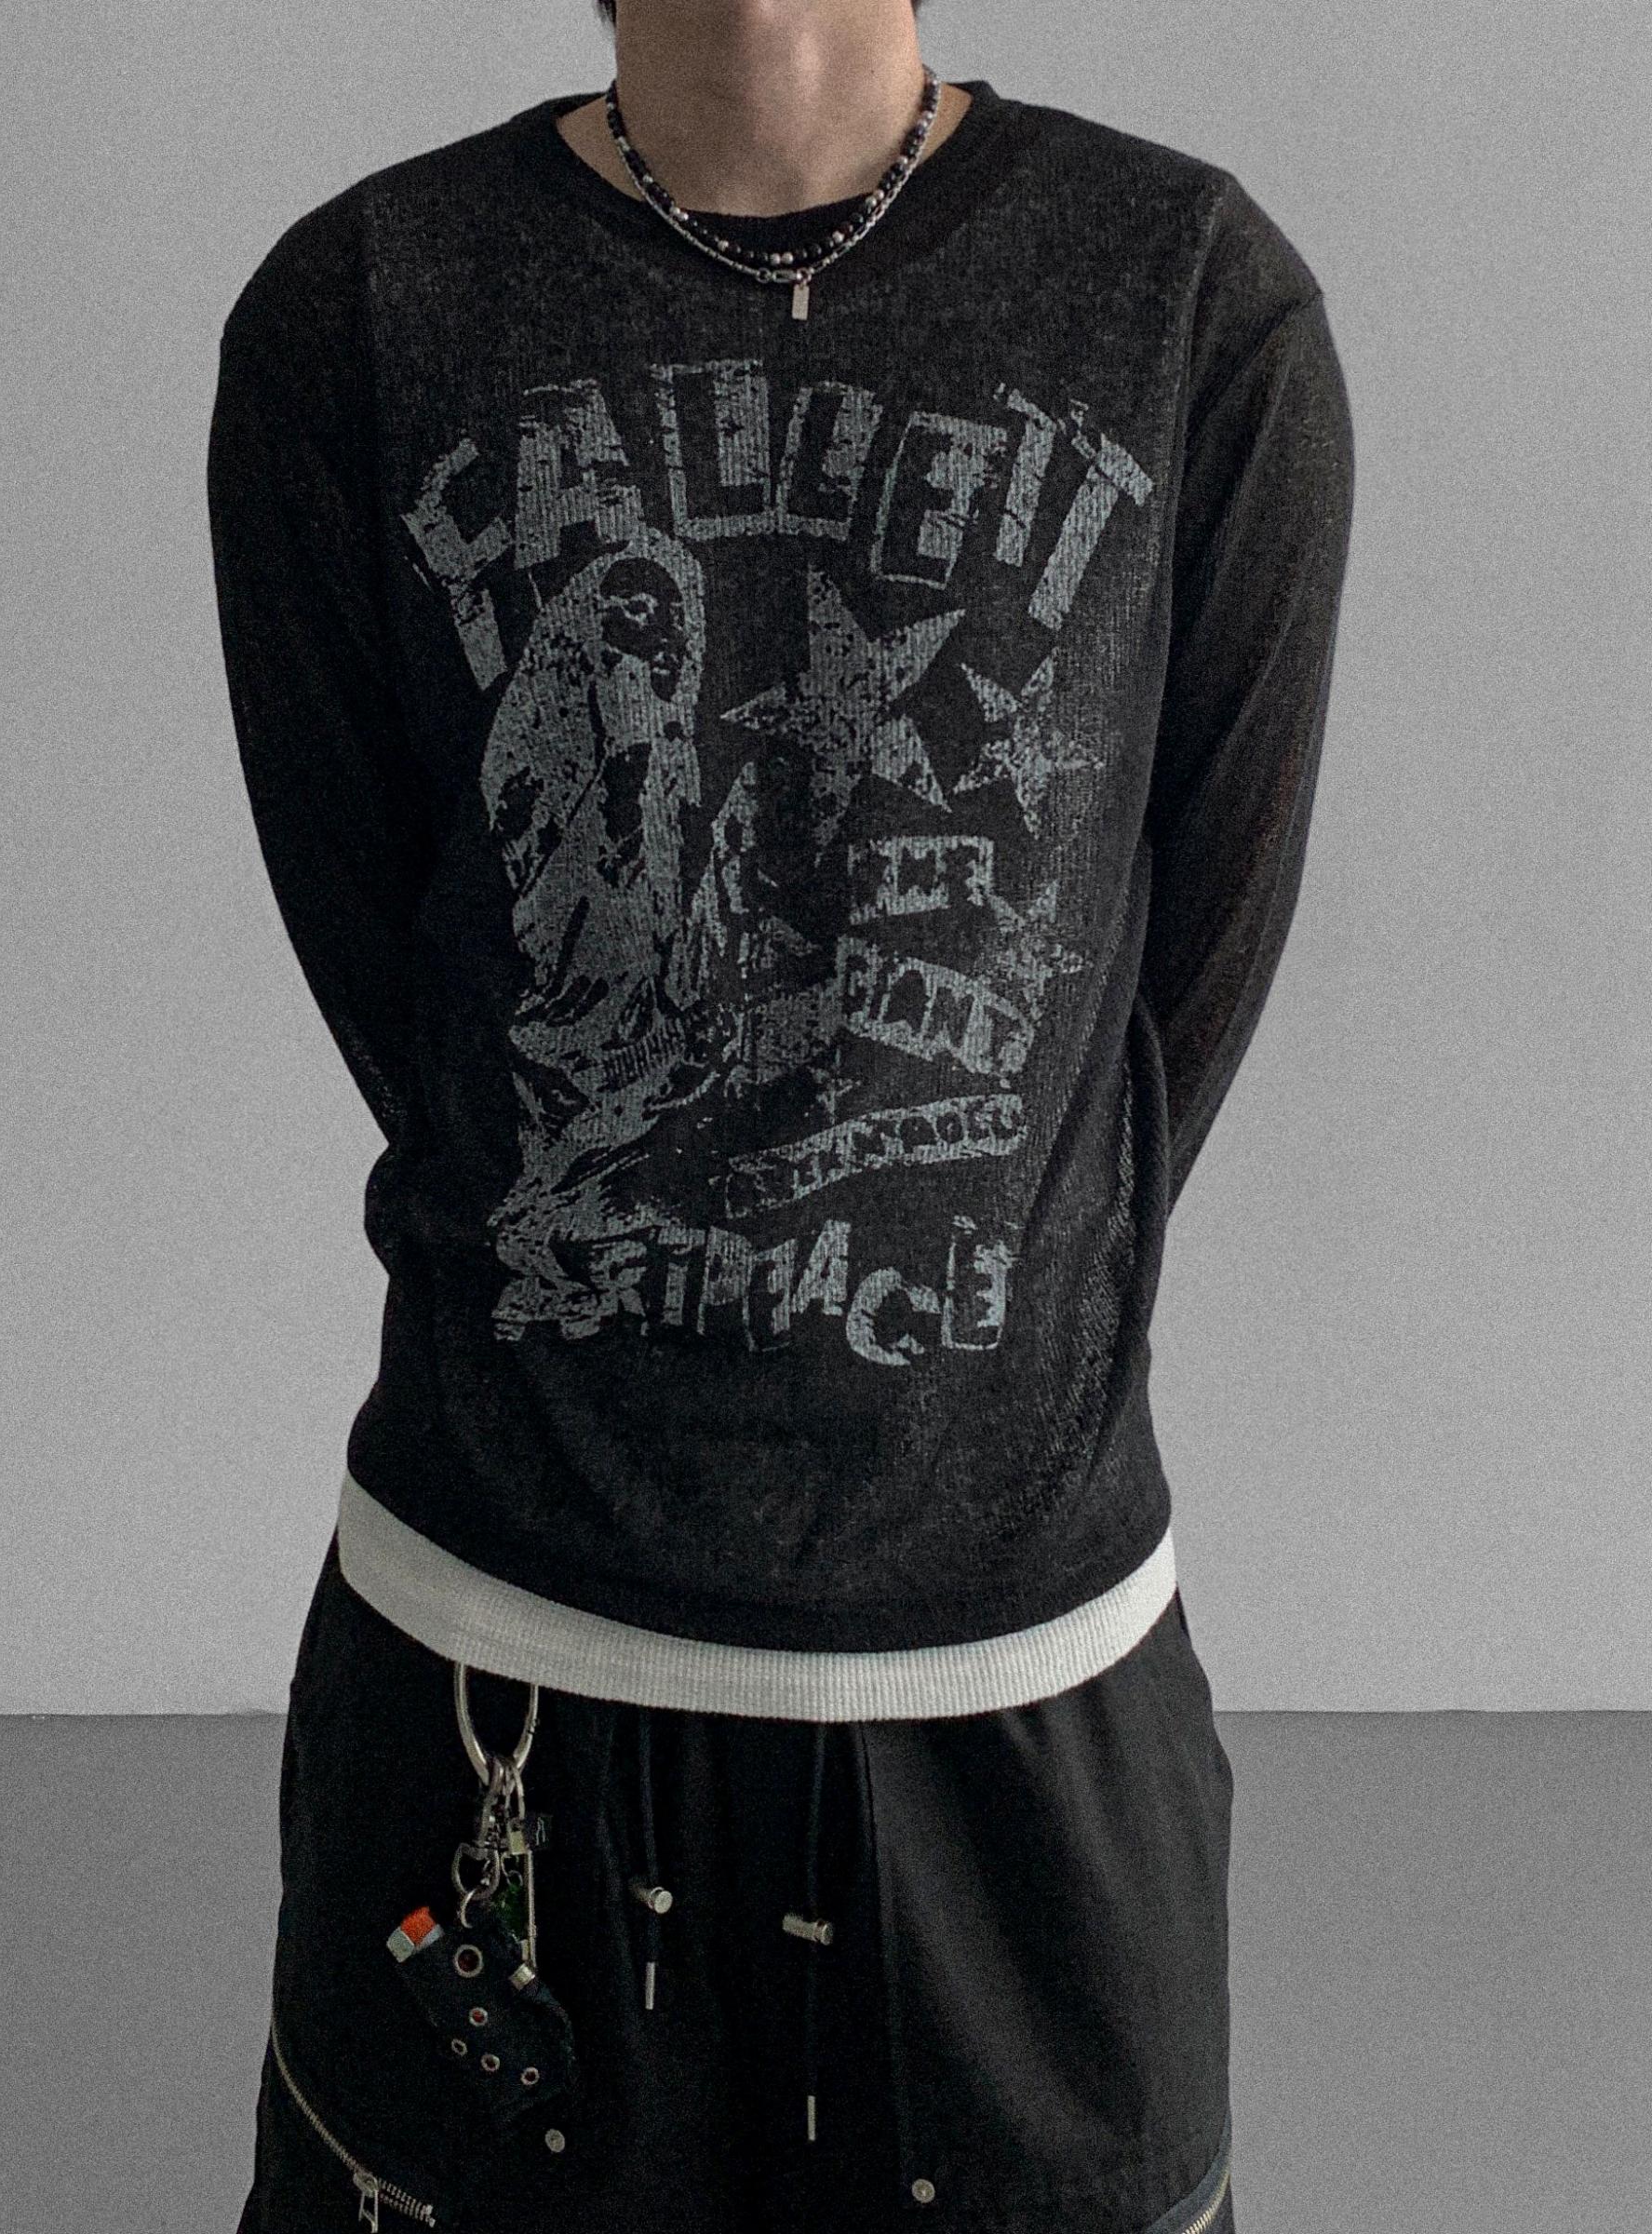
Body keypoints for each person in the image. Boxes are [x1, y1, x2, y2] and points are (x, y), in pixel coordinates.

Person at [207, 1, 1355, 2227]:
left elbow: (1156, 1017)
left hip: (1016, 1692)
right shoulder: (359, 311)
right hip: (498, 1670)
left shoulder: (1193, 301)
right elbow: (417, 979)